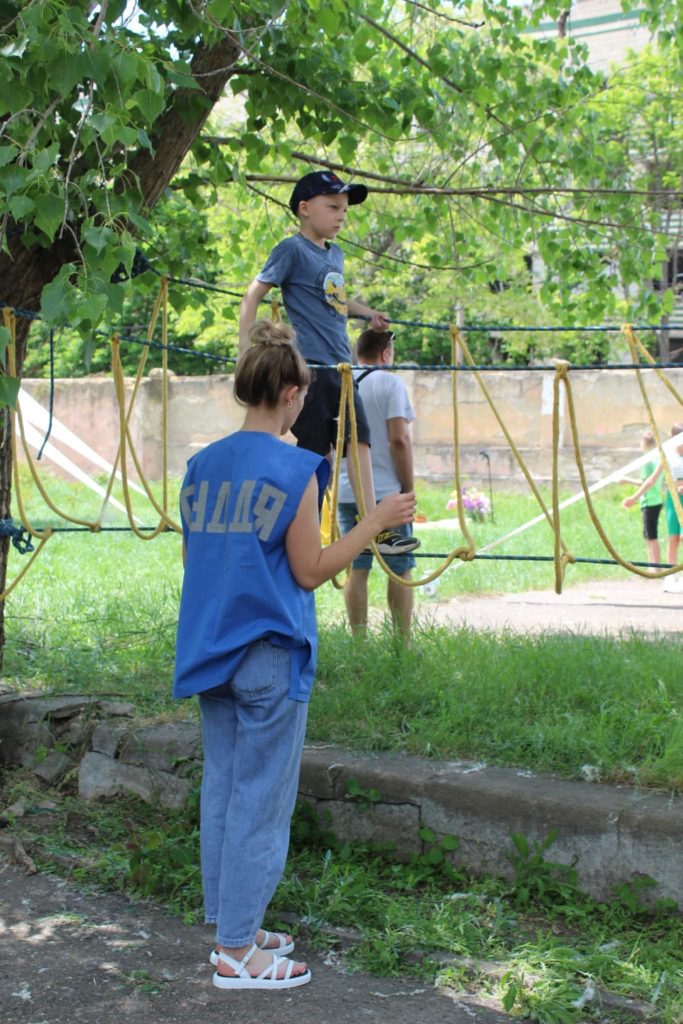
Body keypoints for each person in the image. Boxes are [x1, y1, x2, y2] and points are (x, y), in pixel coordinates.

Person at [173, 319, 415, 992]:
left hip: (209, 650)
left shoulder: (200, 466)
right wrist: (370, 524)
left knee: (223, 789)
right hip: (267, 655)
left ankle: (234, 926)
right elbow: (310, 572)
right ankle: (235, 955)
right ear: (285, 392)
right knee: (261, 800)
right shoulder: (295, 467)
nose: (307, 403)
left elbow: (195, 562)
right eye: (304, 393)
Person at [239, 169, 419, 556]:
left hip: (341, 367)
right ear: (304, 209)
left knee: (360, 440)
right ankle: (296, 528)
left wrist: (366, 313)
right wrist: (244, 348)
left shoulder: (334, 253)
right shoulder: (291, 250)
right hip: (312, 369)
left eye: (344, 209)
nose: (342, 215)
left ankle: (374, 527)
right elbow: (254, 293)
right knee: (315, 452)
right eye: (333, 207)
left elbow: (337, 301)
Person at [337, 328, 416, 637]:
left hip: (348, 492)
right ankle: (402, 643)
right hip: (385, 496)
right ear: (386, 354)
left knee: (357, 567)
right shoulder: (390, 383)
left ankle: (359, 643)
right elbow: (399, 438)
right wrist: (408, 488)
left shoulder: (343, 382)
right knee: (399, 568)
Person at [623, 422, 683, 567]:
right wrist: (634, 497)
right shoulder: (668, 456)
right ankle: (671, 575)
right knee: (673, 538)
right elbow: (651, 480)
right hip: (673, 499)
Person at [620, 429, 663, 566]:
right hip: (655, 500)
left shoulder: (648, 461)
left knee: (651, 536)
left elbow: (646, 482)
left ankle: (655, 566)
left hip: (650, 501)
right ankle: (653, 565)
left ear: (644, 443)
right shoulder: (657, 459)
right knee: (649, 535)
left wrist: (628, 483)